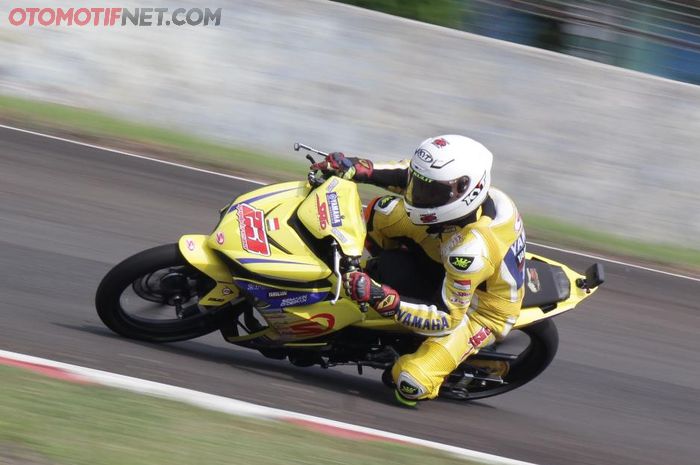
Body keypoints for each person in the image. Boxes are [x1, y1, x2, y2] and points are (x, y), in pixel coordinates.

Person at [312, 135, 526, 407]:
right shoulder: (467, 195)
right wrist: (355, 167)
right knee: (379, 212)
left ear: (465, 189)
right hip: (447, 242)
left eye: (431, 193)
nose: (418, 196)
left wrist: (382, 298)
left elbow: (447, 318)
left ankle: (431, 365)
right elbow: (406, 174)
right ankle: (395, 276)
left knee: (407, 383)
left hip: (479, 308)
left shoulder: (471, 252)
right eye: (420, 187)